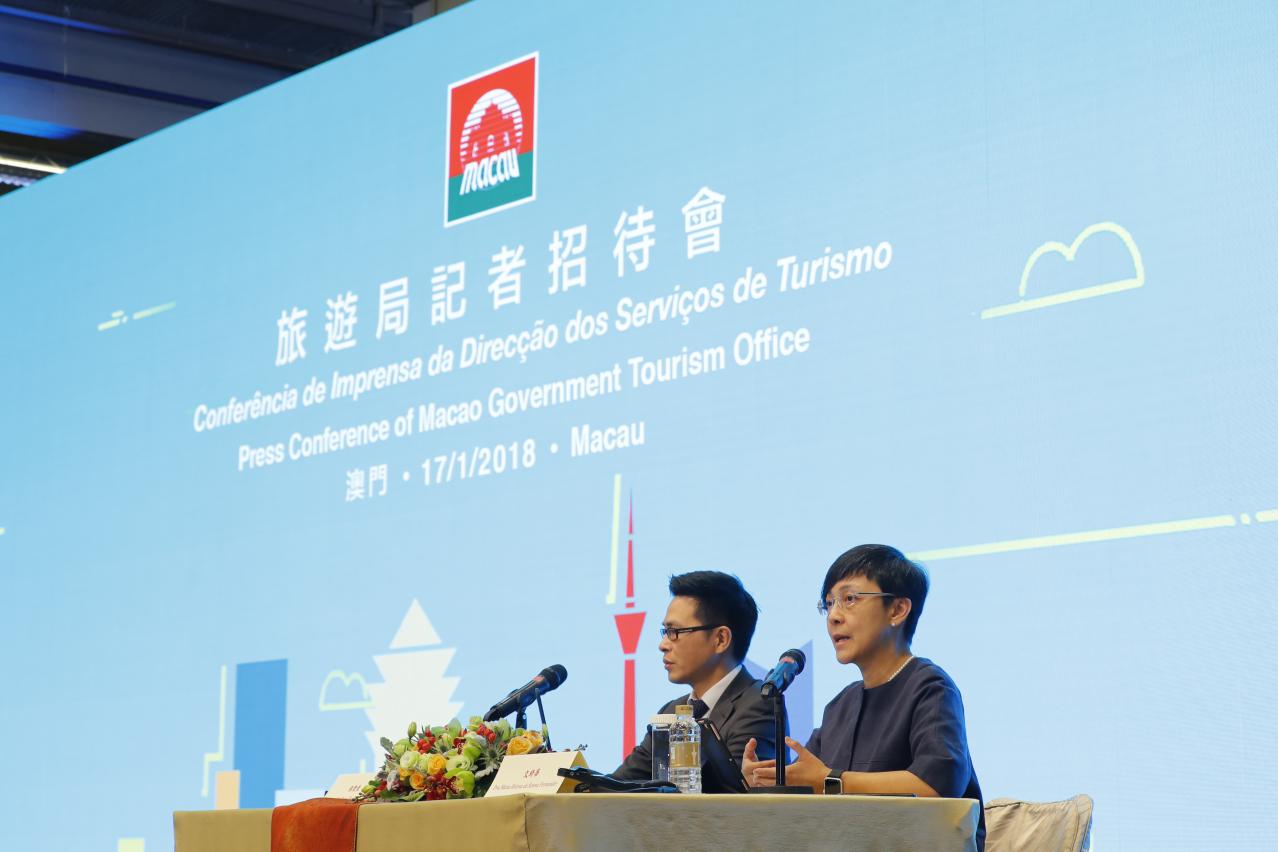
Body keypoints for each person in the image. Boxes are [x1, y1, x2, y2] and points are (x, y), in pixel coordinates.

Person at [742, 545, 985, 850]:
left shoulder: (931, 688)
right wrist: (768, 779)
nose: (834, 616)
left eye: (850, 599)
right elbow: (808, 784)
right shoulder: (840, 706)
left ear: (897, 610)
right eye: (828, 604)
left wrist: (830, 780)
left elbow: (936, 786)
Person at [613, 570, 778, 783]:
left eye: (674, 632)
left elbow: (734, 793)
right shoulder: (671, 711)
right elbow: (619, 785)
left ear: (720, 639)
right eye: (665, 632)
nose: (663, 645)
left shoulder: (760, 704)